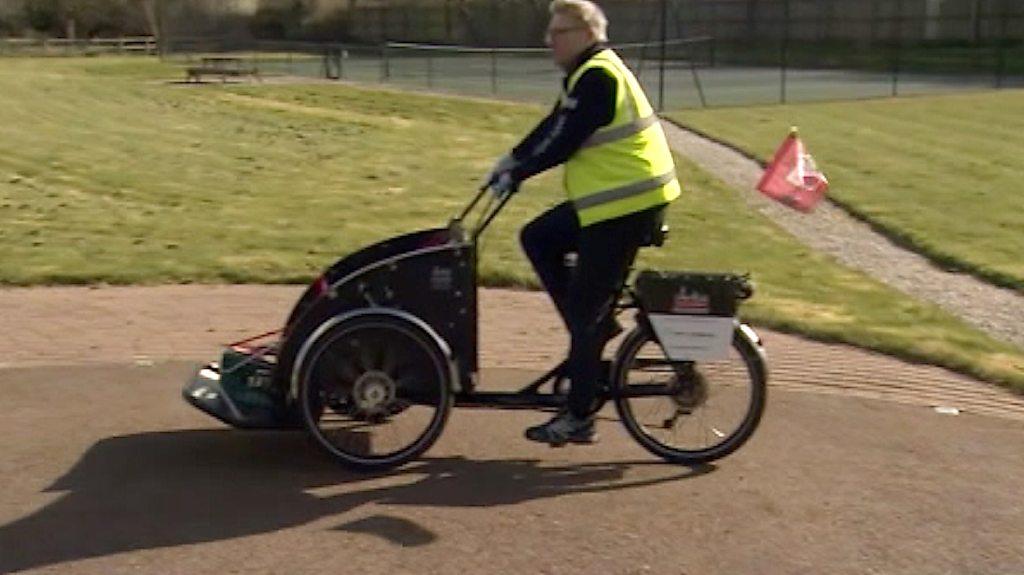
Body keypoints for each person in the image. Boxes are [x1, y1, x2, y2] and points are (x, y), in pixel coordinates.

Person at [484, 0, 681, 445]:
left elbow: (565, 142)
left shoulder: (599, 77)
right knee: (538, 237)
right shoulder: (586, 72)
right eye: (550, 32)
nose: (549, 40)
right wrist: (513, 157)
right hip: (611, 201)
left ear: (587, 34)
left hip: (626, 204)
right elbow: (555, 123)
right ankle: (592, 327)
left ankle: (578, 416)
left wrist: (518, 173)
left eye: (559, 32)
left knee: (584, 311)